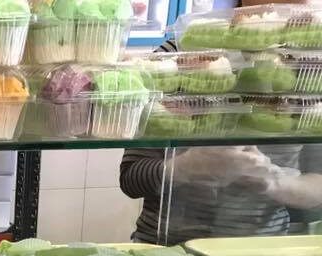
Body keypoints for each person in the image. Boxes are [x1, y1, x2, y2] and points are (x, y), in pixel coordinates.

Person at [120, 42, 322, 243]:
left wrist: (271, 180)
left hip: (260, 248)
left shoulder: (309, 65)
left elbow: (317, 188)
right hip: (169, 246)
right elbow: (131, 179)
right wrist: (185, 167)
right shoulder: (174, 58)